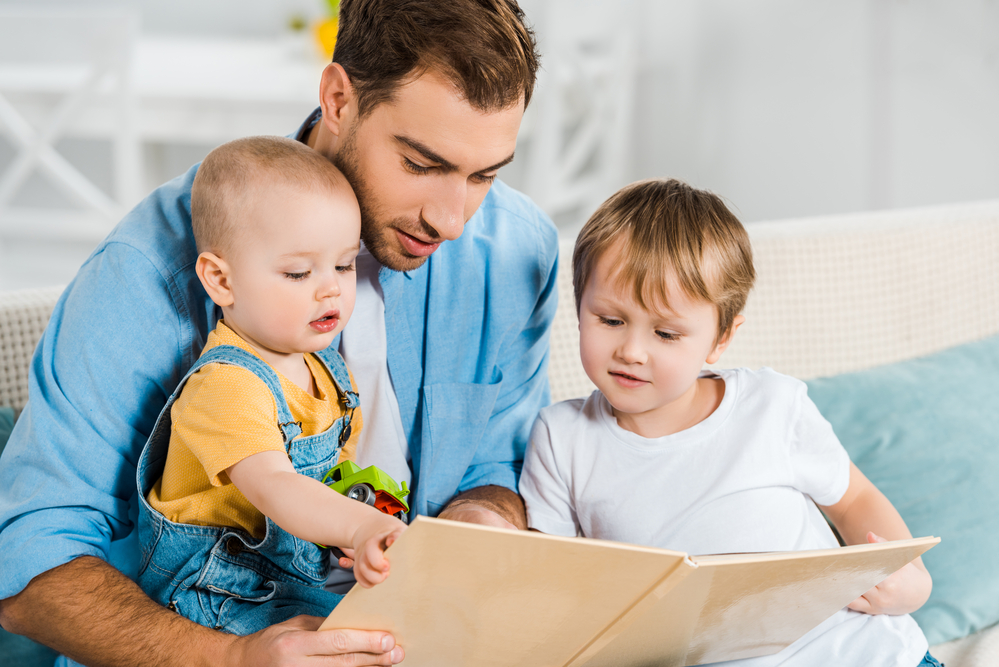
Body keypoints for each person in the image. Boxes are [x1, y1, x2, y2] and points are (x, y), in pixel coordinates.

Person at [0, 1, 555, 665]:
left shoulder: (516, 253)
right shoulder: (148, 268)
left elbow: (498, 464)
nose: (453, 219)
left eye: (485, 174)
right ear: (338, 98)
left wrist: (480, 523)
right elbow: (28, 563)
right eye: (421, 163)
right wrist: (229, 658)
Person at [519, 179, 940, 667]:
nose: (632, 352)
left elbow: (855, 500)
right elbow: (551, 582)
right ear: (578, 307)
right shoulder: (560, 438)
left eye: (666, 333)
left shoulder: (772, 406)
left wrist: (911, 578)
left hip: (861, 653)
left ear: (721, 337)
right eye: (610, 320)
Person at [137, 135, 407, 637]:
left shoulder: (326, 369)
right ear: (221, 280)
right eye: (299, 272)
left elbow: (329, 476)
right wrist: (358, 525)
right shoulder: (225, 386)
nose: (330, 288)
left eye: (345, 265)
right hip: (215, 593)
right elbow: (276, 485)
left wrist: (359, 523)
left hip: (290, 575)